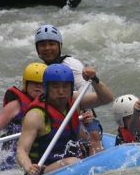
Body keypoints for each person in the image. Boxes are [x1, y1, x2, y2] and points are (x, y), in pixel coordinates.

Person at [16, 64, 114, 175]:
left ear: (71, 87)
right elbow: (21, 150)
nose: (61, 92)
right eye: (55, 87)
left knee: (94, 142)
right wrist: (29, 167)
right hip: (44, 171)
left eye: (65, 86)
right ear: (46, 87)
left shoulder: (74, 101)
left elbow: (107, 98)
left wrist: (94, 79)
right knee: (72, 162)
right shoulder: (35, 116)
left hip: (74, 161)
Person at [34, 24, 104, 155]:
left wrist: (84, 114)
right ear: (37, 48)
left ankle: (97, 161)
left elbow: (85, 89)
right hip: (51, 118)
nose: (47, 48)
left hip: (81, 116)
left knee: (93, 136)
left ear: (59, 45)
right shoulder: (38, 69)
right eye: (43, 45)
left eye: (51, 44)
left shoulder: (71, 64)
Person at [0, 62, 47, 170]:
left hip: (39, 150)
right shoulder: (15, 106)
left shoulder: (52, 104)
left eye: (41, 83)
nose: (37, 86)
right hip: (14, 151)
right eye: (33, 83)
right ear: (25, 84)